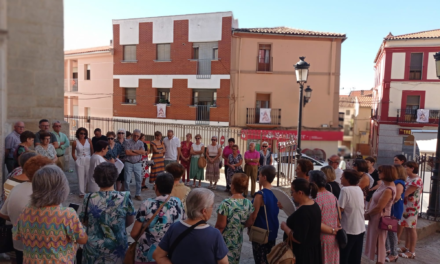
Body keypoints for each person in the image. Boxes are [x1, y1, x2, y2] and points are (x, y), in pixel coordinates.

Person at [12, 165, 88, 263]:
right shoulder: (67, 214)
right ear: (61, 188)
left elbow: (18, 236)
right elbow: (83, 240)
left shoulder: (26, 211)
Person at [152, 188, 228, 264]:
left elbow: (158, 255)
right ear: (204, 211)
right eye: (212, 206)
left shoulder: (174, 227)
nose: (212, 209)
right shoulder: (214, 234)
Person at [0, 155, 52, 264]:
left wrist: (18, 221)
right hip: (40, 246)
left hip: (19, 243)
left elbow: (3, 213)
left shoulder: (16, 188)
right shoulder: (44, 192)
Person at [80, 162, 136, 263]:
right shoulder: (125, 197)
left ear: (96, 179)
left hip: (93, 248)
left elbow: (85, 221)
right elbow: (130, 220)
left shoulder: (88, 198)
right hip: (117, 246)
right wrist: (117, 226)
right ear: (115, 177)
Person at [131, 172, 185, 262]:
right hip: (168, 254)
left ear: (155, 187)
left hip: (146, 254)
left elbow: (134, 233)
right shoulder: (178, 202)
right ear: (172, 188)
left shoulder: (147, 204)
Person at [280, 178, 322, 264]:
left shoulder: (303, 212)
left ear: (300, 193)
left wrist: (285, 227)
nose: (291, 194)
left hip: (303, 255)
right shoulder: (314, 205)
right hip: (313, 251)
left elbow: (298, 238)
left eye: (292, 192)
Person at [215, 173, 254, 264]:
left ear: (232, 186)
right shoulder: (248, 203)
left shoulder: (226, 203)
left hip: (225, 240)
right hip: (238, 239)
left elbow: (220, 226)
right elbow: (249, 221)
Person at [245, 165, 279, 264]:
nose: (258, 177)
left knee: (260, 259)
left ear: (264, 177)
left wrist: (247, 226)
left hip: (261, 231)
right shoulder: (277, 192)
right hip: (273, 229)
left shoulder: (260, 194)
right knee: (269, 258)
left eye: (259, 175)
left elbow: (254, 215)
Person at [364, 165, 397, 263]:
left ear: (387, 173)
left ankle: (380, 261)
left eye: (380, 171)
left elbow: (379, 207)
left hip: (380, 217)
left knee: (380, 241)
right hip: (375, 216)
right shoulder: (384, 185)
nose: (378, 173)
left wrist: (368, 214)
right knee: (376, 240)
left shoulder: (388, 189)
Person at [309, 170, 340, 264]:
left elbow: (315, 222)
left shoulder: (315, 198)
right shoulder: (332, 196)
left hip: (321, 238)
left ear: (313, 182)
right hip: (333, 238)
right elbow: (338, 217)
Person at [339, 169, 365, 264]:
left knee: (345, 255)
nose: (341, 178)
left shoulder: (345, 189)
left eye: (343, 177)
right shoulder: (358, 189)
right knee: (355, 256)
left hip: (349, 227)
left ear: (348, 179)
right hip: (360, 226)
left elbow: (340, 208)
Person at [397, 161, 423, 259]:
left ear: (412, 168)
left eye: (406, 167)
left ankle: (412, 251)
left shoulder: (417, 180)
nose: (404, 169)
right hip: (406, 206)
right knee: (407, 227)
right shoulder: (408, 178)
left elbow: (406, 193)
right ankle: (406, 247)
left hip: (411, 207)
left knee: (411, 228)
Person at [385, 165, 407, 262]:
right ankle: (388, 249)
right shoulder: (396, 182)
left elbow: (397, 197)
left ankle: (394, 253)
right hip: (392, 208)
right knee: (388, 230)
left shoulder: (399, 183)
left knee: (392, 232)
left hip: (394, 209)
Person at [123, 129, 146, 201]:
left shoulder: (141, 143)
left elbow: (143, 152)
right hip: (128, 162)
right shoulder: (127, 142)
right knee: (126, 180)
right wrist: (138, 152)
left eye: (138, 136)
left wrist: (133, 151)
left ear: (139, 136)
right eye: (135, 135)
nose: (136, 137)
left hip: (138, 163)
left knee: (139, 180)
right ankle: (127, 194)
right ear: (132, 135)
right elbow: (127, 153)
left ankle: (138, 194)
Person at [72, 127, 94, 198]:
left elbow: (92, 150)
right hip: (80, 159)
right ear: (78, 133)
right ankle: (81, 192)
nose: (83, 135)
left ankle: (87, 190)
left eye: (84, 133)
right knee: (80, 176)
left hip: (88, 158)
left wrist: (92, 157)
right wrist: (76, 160)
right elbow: (73, 153)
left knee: (88, 175)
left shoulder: (89, 140)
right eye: (81, 133)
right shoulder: (75, 142)